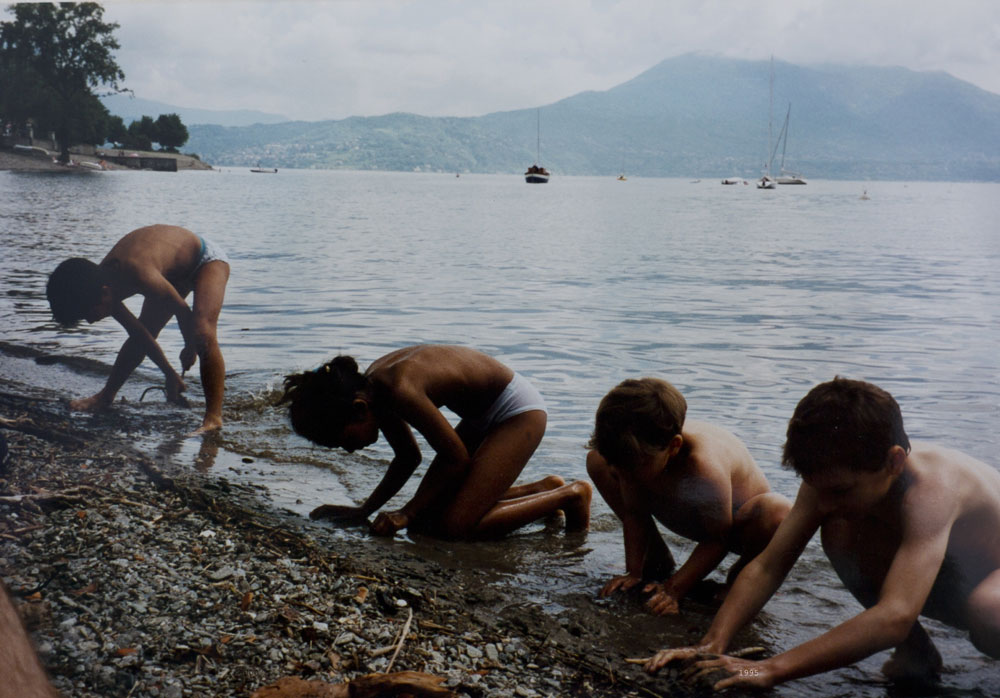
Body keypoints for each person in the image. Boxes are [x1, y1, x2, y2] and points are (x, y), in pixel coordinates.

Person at [644, 377, 1000, 690]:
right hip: (953, 574)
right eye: (818, 489)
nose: (825, 503)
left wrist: (768, 669)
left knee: (988, 613)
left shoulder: (932, 491)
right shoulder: (832, 478)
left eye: (841, 491)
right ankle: (917, 656)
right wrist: (712, 644)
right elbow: (769, 566)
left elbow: (895, 616)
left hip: (989, 581)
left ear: (894, 462)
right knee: (839, 531)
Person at [280, 344, 592, 539]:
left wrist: (407, 512)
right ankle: (542, 489)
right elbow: (407, 457)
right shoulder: (374, 390)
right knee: (429, 519)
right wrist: (364, 511)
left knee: (453, 527)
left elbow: (456, 458)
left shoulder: (399, 389)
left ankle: (571, 495)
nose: (348, 450)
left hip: (518, 410)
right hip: (480, 415)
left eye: (344, 440)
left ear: (358, 409)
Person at [586, 378, 790, 615]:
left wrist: (674, 589)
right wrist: (634, 572)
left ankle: (739, 579)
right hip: (689, 513)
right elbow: (634, 514)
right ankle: (656, 559)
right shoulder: (633, 461)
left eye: (632, 465)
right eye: (617, 463)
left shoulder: (703, 469)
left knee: (776, 512)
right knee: (597, 461)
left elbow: (718, 538)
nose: (619, 472)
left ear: (674, 447)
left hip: (736, 528)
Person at [46, 224, 229, 434]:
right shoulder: (96, 284)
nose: (89, 321)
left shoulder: (137, 271)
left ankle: (213, 418)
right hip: (171, 273)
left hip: (205, 260)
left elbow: (182, 310)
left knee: (202, 332)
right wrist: (170, 374)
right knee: (144, 332)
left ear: (105, 294)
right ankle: (105, 397)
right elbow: (140, 335)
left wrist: (190, 347)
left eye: (89, 314)